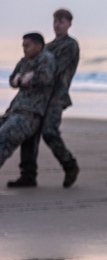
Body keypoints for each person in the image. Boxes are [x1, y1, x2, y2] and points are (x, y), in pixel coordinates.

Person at [7, 8, 80, 188]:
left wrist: (33, 77)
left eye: (61, 22)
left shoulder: (70, 45)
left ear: (69, 24)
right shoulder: (48, 46)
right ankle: (28, 175)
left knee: (49, 131)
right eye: (55, 21)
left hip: (57, 95)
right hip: (40, 97)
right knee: (30, 134)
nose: (57, 25)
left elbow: (52, 70)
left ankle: (69, 164)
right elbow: (32, 64)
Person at [2, 33, 56, 173]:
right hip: (16, 108)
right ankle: (27, 176)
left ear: (38, 45)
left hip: (31, 112)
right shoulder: (24, 61)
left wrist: (29, 79)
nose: (24, 49)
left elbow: (45, 79)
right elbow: (13, 79)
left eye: (28, 46)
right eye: (23, 46)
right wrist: (21, 80)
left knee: (5, 137)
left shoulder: (46, 59)